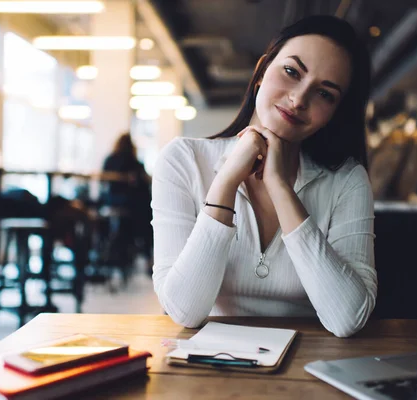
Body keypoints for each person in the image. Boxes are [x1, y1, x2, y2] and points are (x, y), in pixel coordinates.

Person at [151, 15, 376, 337]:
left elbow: (347, 320)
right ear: (260, 71)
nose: (298, 99)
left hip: (310, 365)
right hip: (208, 368)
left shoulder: (346, 180)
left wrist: (280, 187)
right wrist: (226, 182)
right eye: (291, 72)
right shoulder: (183, 160)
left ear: (336, 112)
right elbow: (185, 310)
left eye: (325, 93)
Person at [100, 132, 153, 264]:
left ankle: (121, 248)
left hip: (112, 201)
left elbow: (103, 181)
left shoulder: (110, 160)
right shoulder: (134, 162)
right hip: (132, 205)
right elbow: (144, 181)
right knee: (146, 212)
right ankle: (146, 252)